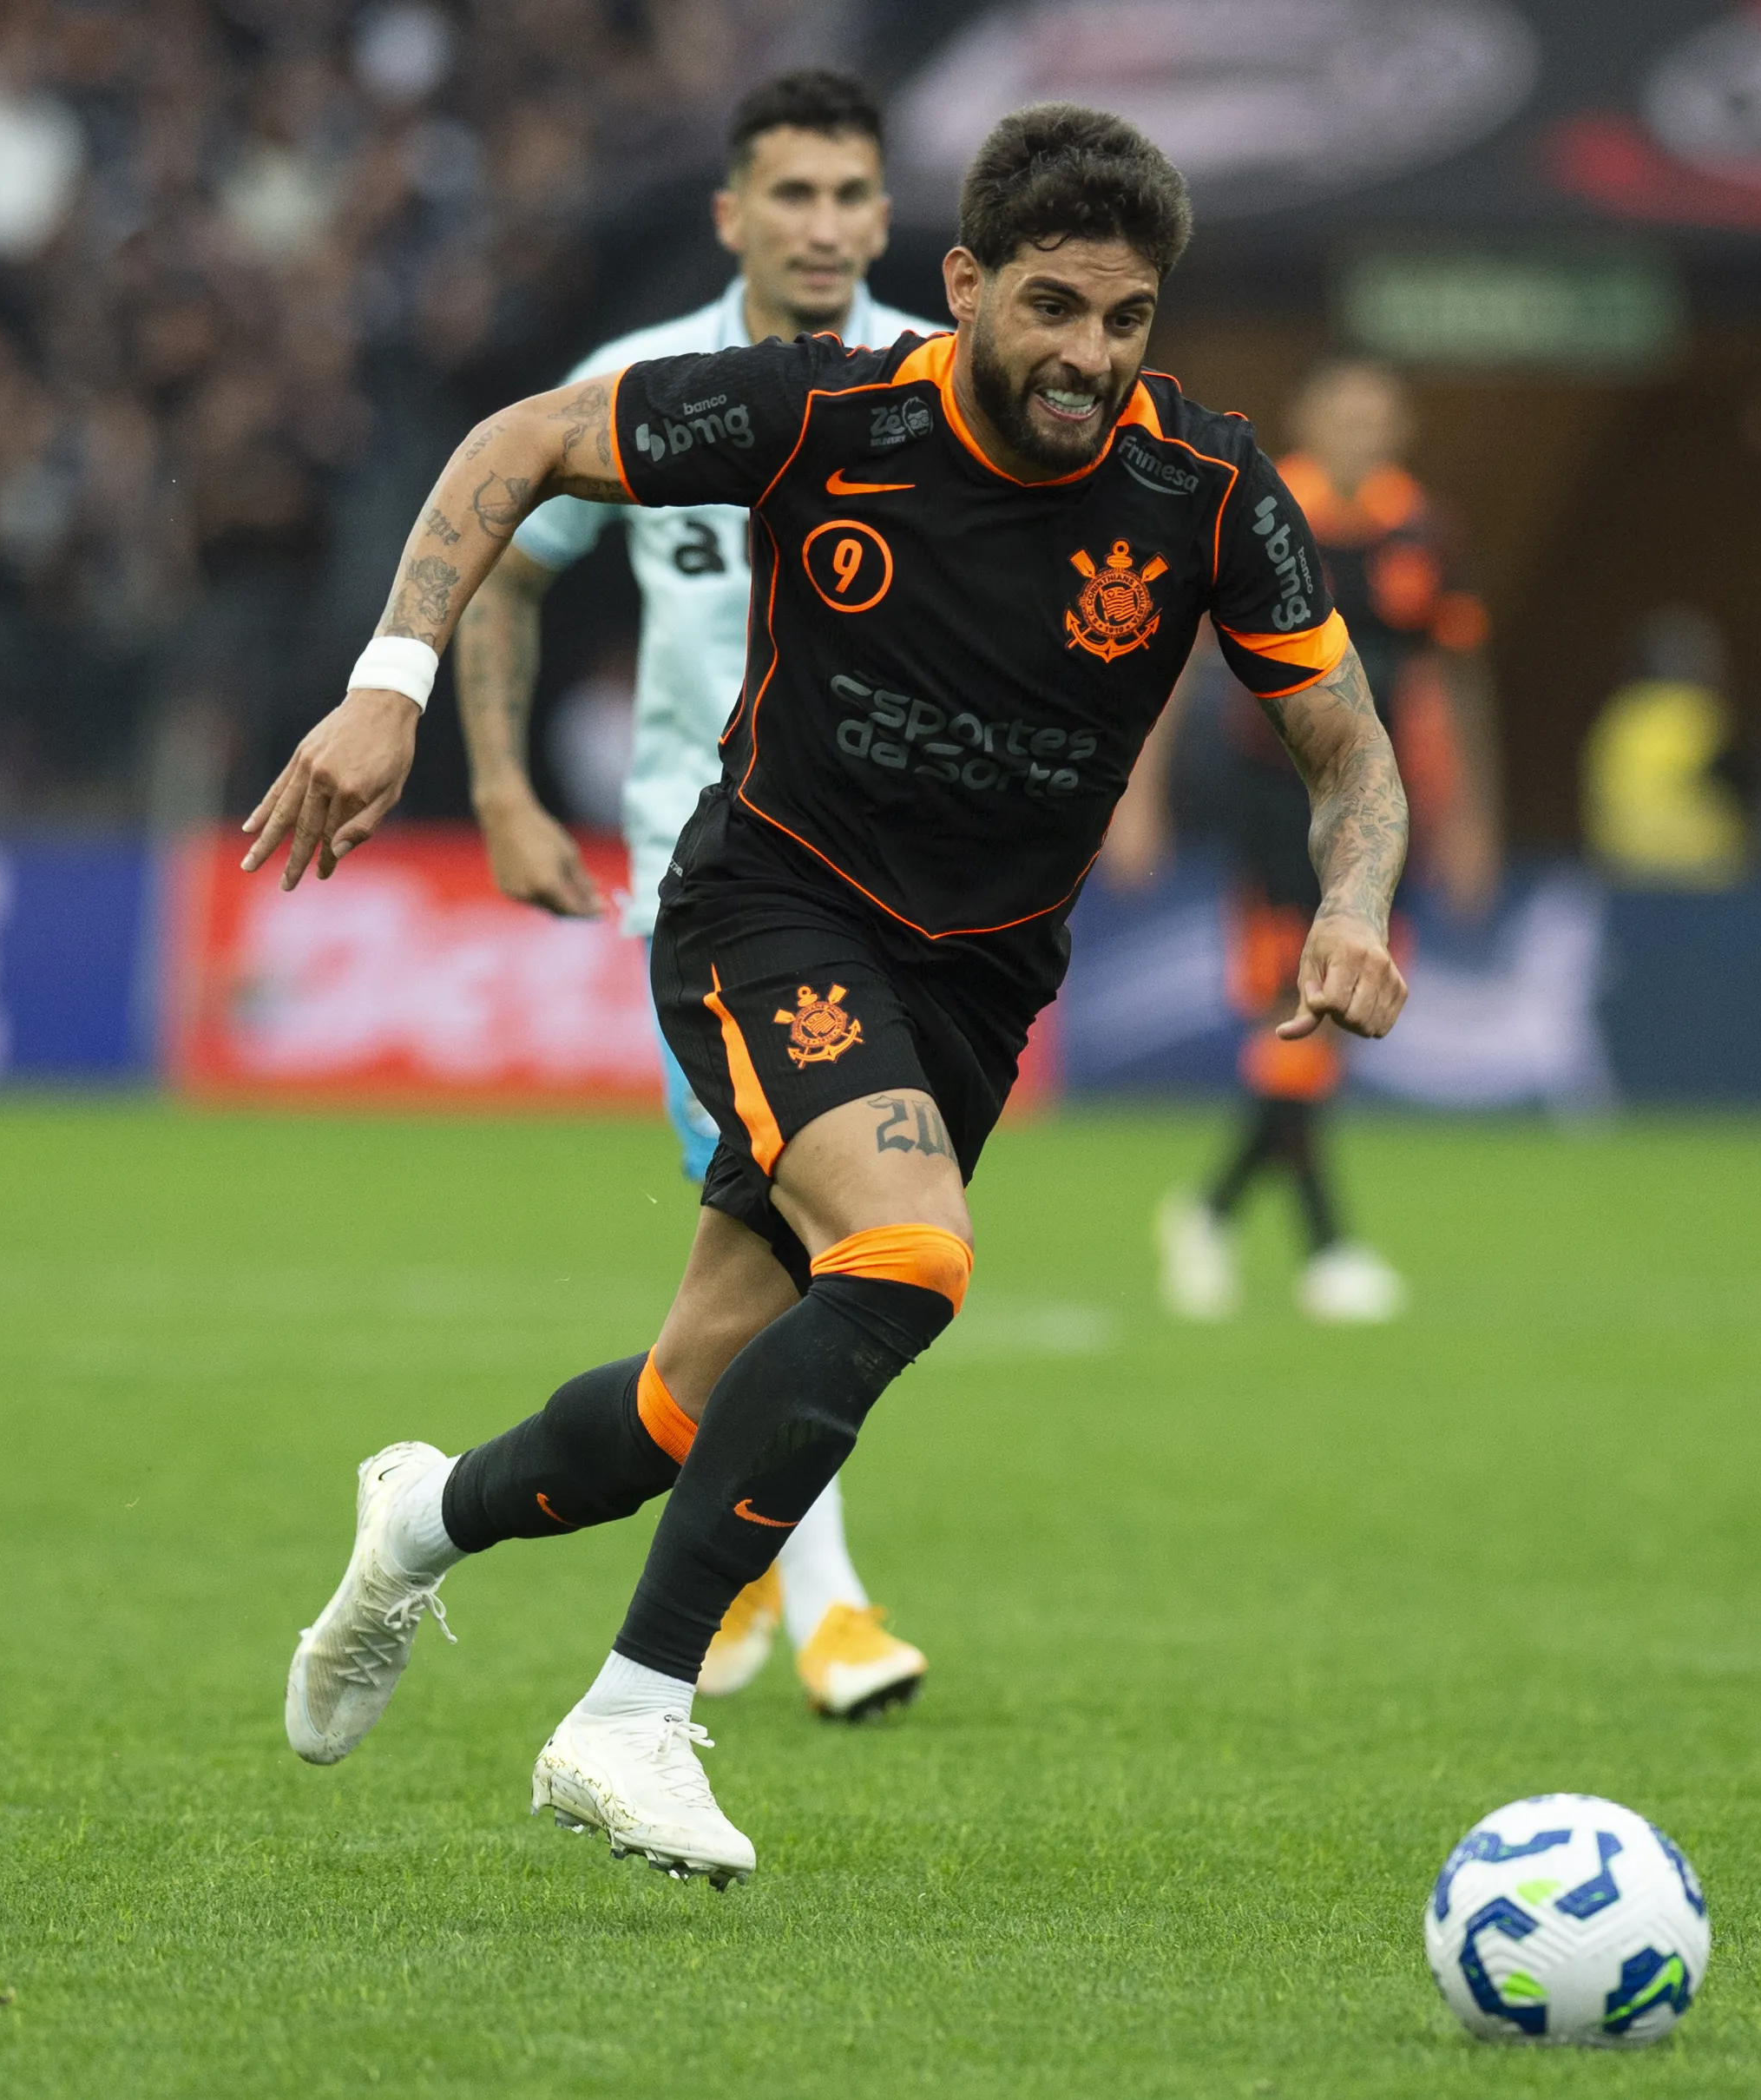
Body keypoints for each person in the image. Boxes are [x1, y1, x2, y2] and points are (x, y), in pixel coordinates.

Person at [247, 104, 1409, 1886]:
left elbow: (1344, 746)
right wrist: (389, 683)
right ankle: (630, 1713)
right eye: (1049, 309)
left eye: (1124, 320)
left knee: (674, 1405)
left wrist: (1355, 893)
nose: (1088, 357)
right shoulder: (826, 410)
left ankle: (416, 1518)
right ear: (959, 286)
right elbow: (524, 439)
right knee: (910, 1257)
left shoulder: (1207, 483)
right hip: (769, 905)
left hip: (979, 982)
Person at [452, 69, 937, 1724]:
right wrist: (504, 785)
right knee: (827, 1235)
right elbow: (510, 565)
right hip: (712, 875)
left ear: (886, 218)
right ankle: (829, 1606)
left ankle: (718, 1584)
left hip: (904, 888)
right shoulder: (639, 385)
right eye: (789, 194)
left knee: (797, 1257)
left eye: (850, 196)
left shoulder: (932, 386)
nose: (822, 225)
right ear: (731, 213)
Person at [1107, 357, 1494, 1324]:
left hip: (1379, 807)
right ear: (1310, 417)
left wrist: (1473, 817)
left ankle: (1212, 1211)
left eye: (1377, 412)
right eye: (1342, 409)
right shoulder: (1259, 511)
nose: (1360, 427)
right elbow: (1175, 658)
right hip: (1271, 794)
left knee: (1335, 1012)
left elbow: (1457, 680)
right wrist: (1136, 798)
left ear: (1398, 426)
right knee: (1297, 1003)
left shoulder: (1425, 534)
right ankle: (1323, 1249)